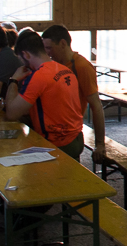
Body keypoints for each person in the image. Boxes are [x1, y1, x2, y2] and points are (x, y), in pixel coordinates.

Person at [3, 30, 84, 161]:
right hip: (76, 138)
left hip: (57, 144)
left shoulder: (38, 77)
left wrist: (13, 80)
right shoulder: (64, 69)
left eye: (21, 59)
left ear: (26, 54)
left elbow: (11, 114)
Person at [42, 24, 107, 166]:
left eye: (49, 48)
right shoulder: (52, 65)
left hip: (69, 134)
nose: (47, 52)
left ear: (63, 43)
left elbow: (96, 106)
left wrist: (100, 144)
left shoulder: (81, 67)